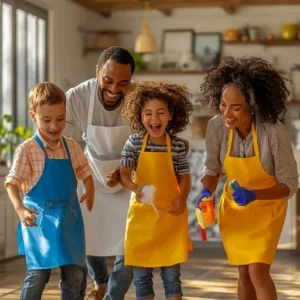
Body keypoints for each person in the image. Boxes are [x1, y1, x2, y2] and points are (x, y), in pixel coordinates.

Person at [197, 56, 299, 300]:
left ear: (253, 105)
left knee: (257, 269)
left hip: (267, 208)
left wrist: (254, 194)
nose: (227, 114)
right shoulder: (216, 127)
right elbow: (212, 168)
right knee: (243, 271)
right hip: (234, 210)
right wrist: (206, 193)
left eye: (236, 107)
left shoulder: (274, 132)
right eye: (223, 105)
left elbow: (290, 184)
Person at [5, 82, 95, 300]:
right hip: (38, 223)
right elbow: (11, 183)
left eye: (60, 119)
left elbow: (85, 171)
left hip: (69, 221)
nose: (54, 126)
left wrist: (90, 190)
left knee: (74, 275)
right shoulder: (26, 150)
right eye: (46, 120)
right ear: (33, 116)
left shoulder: (72, 146)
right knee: (38, 275)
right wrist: (20, 209)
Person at [64, 46, 136, 300]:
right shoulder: (76, 97)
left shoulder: (139, 98)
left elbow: (148, 141)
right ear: (97, 73)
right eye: (108, 80)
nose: (115, 89)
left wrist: (125, 170)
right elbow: (60, 139)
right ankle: (100, 282)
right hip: (92, 175)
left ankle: (112, 295)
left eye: (123, 83)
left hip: (128, 178)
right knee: (87, 237)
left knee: (129, 248)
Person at [119, 81, 194, 300]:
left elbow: (185, 177)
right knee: (142, 278)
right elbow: (124, 174)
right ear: (140, 116)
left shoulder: (178, 145)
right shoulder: (133, 143)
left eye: (161, 112)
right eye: (148, 113)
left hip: (171, 217)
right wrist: (136, 188)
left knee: (172, 277)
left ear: (170, 115)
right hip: (142, 218)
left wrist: (182, 197)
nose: (155, 118)